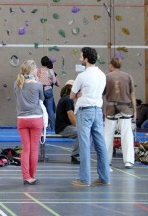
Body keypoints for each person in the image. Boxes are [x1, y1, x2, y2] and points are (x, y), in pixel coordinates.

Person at [70, 46, 110, 188]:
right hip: (97, 111)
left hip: (84, 111)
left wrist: (79, 94)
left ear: (86, 59)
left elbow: (71, 95)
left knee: (85, 144)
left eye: (81, 56)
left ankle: (84, 179)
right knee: (100, 144)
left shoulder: (82, 76)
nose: (80, 58)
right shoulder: (102, 75)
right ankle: (105, 177)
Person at [14, 59, 44, 185]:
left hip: (22, 119)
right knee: (34, 149)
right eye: (36, 68)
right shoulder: (38, 85)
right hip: (36, 119)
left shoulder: (17, 84)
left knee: (26, 149)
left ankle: (26, 176)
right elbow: (41, 99)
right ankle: (32, 175)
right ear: (32, 70)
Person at [103, 57, 136, 169]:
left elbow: (102, 94)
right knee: (127, 134)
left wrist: (102, 109)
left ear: (111, 65)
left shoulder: (107, 77)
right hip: (125, 107)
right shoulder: (128, 77)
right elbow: (132, 95)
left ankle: (106, 160)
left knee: (108, 135)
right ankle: (128, 161)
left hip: (111, 107)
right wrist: (135, 111)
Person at [54, 79, 80, 164]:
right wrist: (78, 126)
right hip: (63, 128)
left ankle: (78, 153)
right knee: (81, 132)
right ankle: (75, 154)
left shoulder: (64, 99)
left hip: (63, 127)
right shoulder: (68, 100)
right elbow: (71, 115)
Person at [36, 56, 57, 131]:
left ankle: (41, 127)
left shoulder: (38, 71)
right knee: (50, 110)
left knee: (41, 109)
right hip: (48, 90)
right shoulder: (50, 71)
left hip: (40, 90)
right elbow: (54, 81)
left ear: (41, 62)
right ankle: (53, 128)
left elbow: (36, 80)